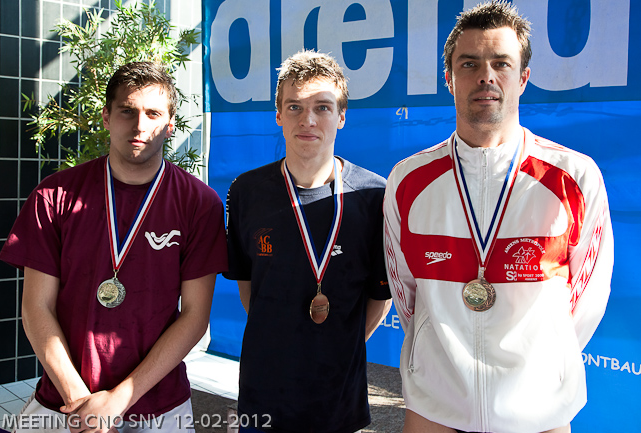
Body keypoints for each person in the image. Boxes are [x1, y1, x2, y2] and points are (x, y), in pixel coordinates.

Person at [383, 1, 614, 433]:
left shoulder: (574, 177)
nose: (485, 76)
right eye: (469, 64)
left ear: (522, 78)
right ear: (449, 78)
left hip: (539, 412)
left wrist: (543, 366)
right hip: (436, 408)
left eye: (501, 63)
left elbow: (588, 297)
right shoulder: (408, 180)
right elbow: (407, 296)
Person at [0, 61, 227, 433]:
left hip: (160, 406)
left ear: (170, 124)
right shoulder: (54, 195)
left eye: (153, 114)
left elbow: (194, 317)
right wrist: (80, 401)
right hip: (64, 401)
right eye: (126, 111)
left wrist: (118, 400)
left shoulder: (199, 204)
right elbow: (36, 307)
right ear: (106, 117)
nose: (139, 125)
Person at [224, 49, 392, 433]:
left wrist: (333, 343)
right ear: (278, 115)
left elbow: (379, 297)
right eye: (295, 107)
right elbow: (249, 287)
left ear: (342, 116)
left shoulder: (374, 195)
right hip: (263, 396)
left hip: (338, 399)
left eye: (323, 107)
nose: (308, 120)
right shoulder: (246, 191)